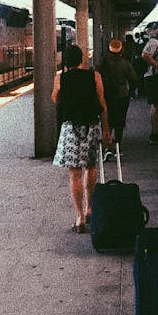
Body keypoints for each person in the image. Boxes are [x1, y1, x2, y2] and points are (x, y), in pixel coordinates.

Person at [52, 45, 111, 233]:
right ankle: (90, 209)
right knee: (91, 167)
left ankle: (79, 217)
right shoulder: (95, 76)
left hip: (71, 128)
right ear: (81, 60)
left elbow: (55, 99)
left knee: (74, 173)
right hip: (91, 126)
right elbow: (102, 103)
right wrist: (107, 130)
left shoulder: (60, 78)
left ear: (66, 62)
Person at [98, 38, 137, 160]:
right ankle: (118, 147)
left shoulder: (103, 63)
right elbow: (134, 80)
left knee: (107, 121)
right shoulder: (125, 64)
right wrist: (130, 92)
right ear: (121, 51)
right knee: (120, 121)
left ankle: (108, 147)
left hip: (106, 95)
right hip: (122, 95)